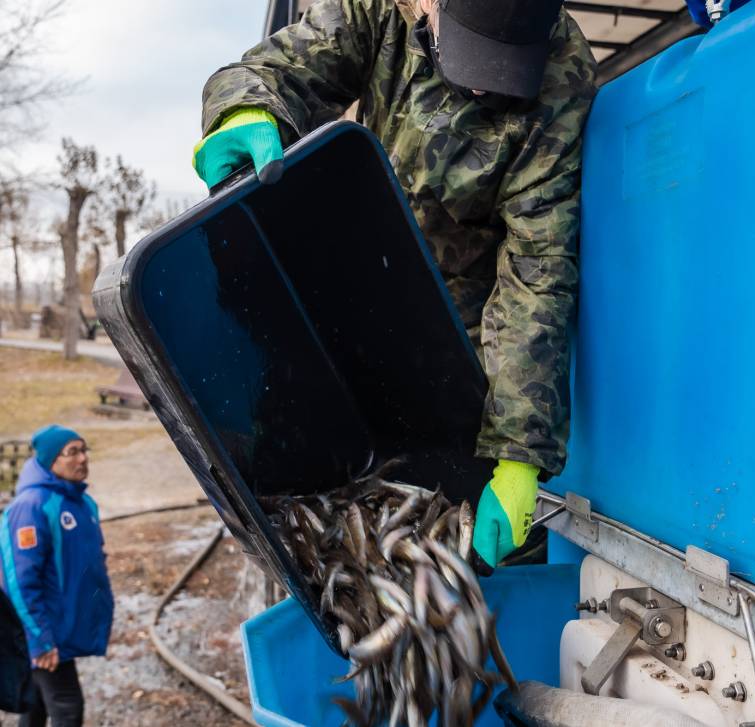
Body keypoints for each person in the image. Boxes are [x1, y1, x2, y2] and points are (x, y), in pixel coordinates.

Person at [193, 0, 597, 568]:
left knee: (469, 521)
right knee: (301, 474)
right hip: (361, 282)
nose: (485, 89)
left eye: (508, 63)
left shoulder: (562, 74)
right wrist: (245, 109)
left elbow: (539, 269)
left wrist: (520, 454)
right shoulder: (377, 12)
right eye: (474, 51)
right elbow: (275, 70)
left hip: (462, 336)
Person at [0, 425, 114, 727]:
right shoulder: (31, 506)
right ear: (51, 460)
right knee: (67, 708)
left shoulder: (81, 502)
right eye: (72, 452)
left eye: (84, 449)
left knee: (35, 705)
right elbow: (19, 582)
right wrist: (39, 641)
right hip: (42, 630)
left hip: (61, 627)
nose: (82, 458)